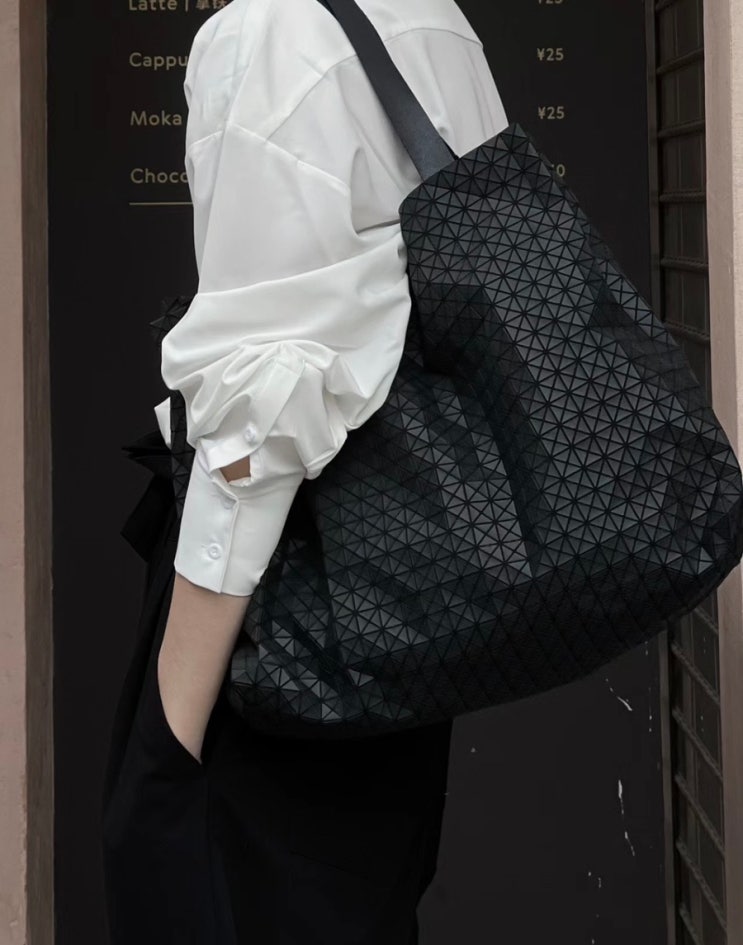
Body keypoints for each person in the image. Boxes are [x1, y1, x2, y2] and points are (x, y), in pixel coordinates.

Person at [102, 0, 509, 942]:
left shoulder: (266, 35)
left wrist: (168, 732)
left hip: (278, 610)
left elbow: (263, 409)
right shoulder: (434, 21)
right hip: (406, 583)